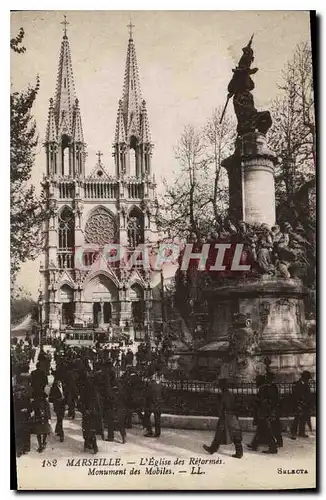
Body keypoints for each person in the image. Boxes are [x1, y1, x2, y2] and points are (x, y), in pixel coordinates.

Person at [203, 378, 243, 459]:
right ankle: (239, 452)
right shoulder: (230, 394)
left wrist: (220, 414)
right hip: (232, 416)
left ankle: (212, 449)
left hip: (225, 417)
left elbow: (221, 407)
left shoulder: (223, 395)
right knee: (235, 434)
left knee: (219, 433)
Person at [248, 375, 278, 454]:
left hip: (264, 412)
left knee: (267, 430)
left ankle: (273, 448)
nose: (255, 382)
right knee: (260, 429)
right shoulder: (266, 388)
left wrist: (254, 399)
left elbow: (262, 400)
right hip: (265, 411)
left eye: (256, 381)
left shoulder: (263, 388)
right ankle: (254, 445)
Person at [13, 377, 32, 457]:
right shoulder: (13, 400)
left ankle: (26, 448)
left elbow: (31, 408)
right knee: (18, 434)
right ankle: (19, 450)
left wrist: (27, 409)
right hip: (17, 419)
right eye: (17, 392)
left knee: (26, 433)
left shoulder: (26, 399)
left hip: (26, 418)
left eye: (20, 391)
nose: (18, 393)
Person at [290, 371, 312, 440]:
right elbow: (295, 395)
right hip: (299, 404)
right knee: (297, 418)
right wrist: (299, 403)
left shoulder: (307, 384)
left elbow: (308, 394)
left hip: (305, 404)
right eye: (307, 378)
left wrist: (307, 402)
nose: (308, 380)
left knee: (304, 418)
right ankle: (293, 433)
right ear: (304, 378)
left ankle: (301, 432)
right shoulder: (297, 384)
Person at [144, 372, 164, 438]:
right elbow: (165, 395)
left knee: (146, 417)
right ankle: (157, 433)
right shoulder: (161, 385)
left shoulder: (150, 385)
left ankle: (150, 431)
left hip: (151, 404)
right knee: (157, 419)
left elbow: (147, 395)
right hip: (159, 404)